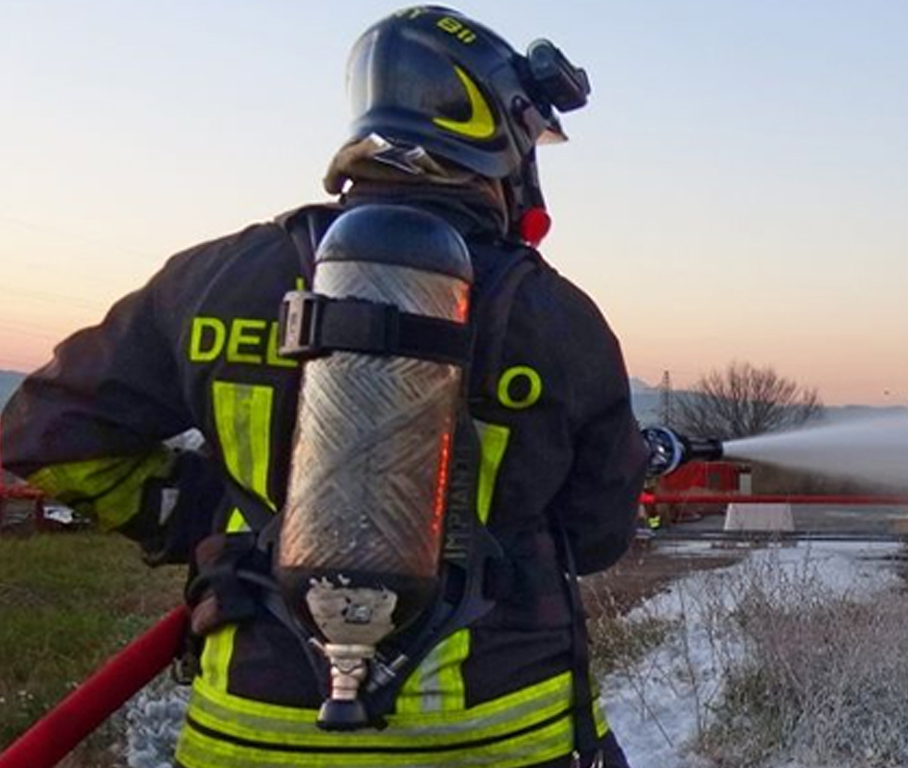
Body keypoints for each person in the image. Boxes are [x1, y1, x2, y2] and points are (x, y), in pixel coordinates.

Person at [0, 7, 645, 767]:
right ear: (496, 135)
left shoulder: (213, 281)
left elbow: (45, 435)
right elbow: (597, 536)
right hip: (502, 735)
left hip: (250, 734)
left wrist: (217, 522)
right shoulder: (557, 317)